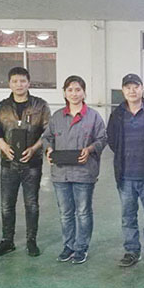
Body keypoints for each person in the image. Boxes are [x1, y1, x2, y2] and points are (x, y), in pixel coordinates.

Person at [42, 75, 107, 265]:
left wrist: (90, 149)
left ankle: (81, 247)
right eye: (70, 90)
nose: (74, 93)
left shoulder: (93, 116)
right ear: (64, 93)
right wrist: (49, 149)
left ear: (84, 93)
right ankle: (68, 246)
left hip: (84, 172)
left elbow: (102, 138)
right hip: (60, 173)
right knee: (65, 213)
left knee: (83, 212)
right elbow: (46, 137)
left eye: (78, 89)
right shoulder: (57, 117)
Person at [0, 67, 50, 258]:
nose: (19, 85)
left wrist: (34, 149)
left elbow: (47, 132)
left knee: (31, 203)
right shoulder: (2, 107)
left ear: (28, 83)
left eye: (23, 81)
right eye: (15, 81)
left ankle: (31, 241)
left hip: (32, 164)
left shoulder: (40, 105)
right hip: (8, 164)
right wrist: (2, 145)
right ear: (9, 84)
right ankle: (7, 241)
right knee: (6, 204)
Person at [107, 73, 144, 270]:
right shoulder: (117, 114)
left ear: (142, 88)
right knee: (128, 216)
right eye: (128, 87)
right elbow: (112, 140)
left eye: (136, 87)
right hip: (125, 175)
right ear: (123, 90)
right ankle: (132, 251)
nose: (132, 91)